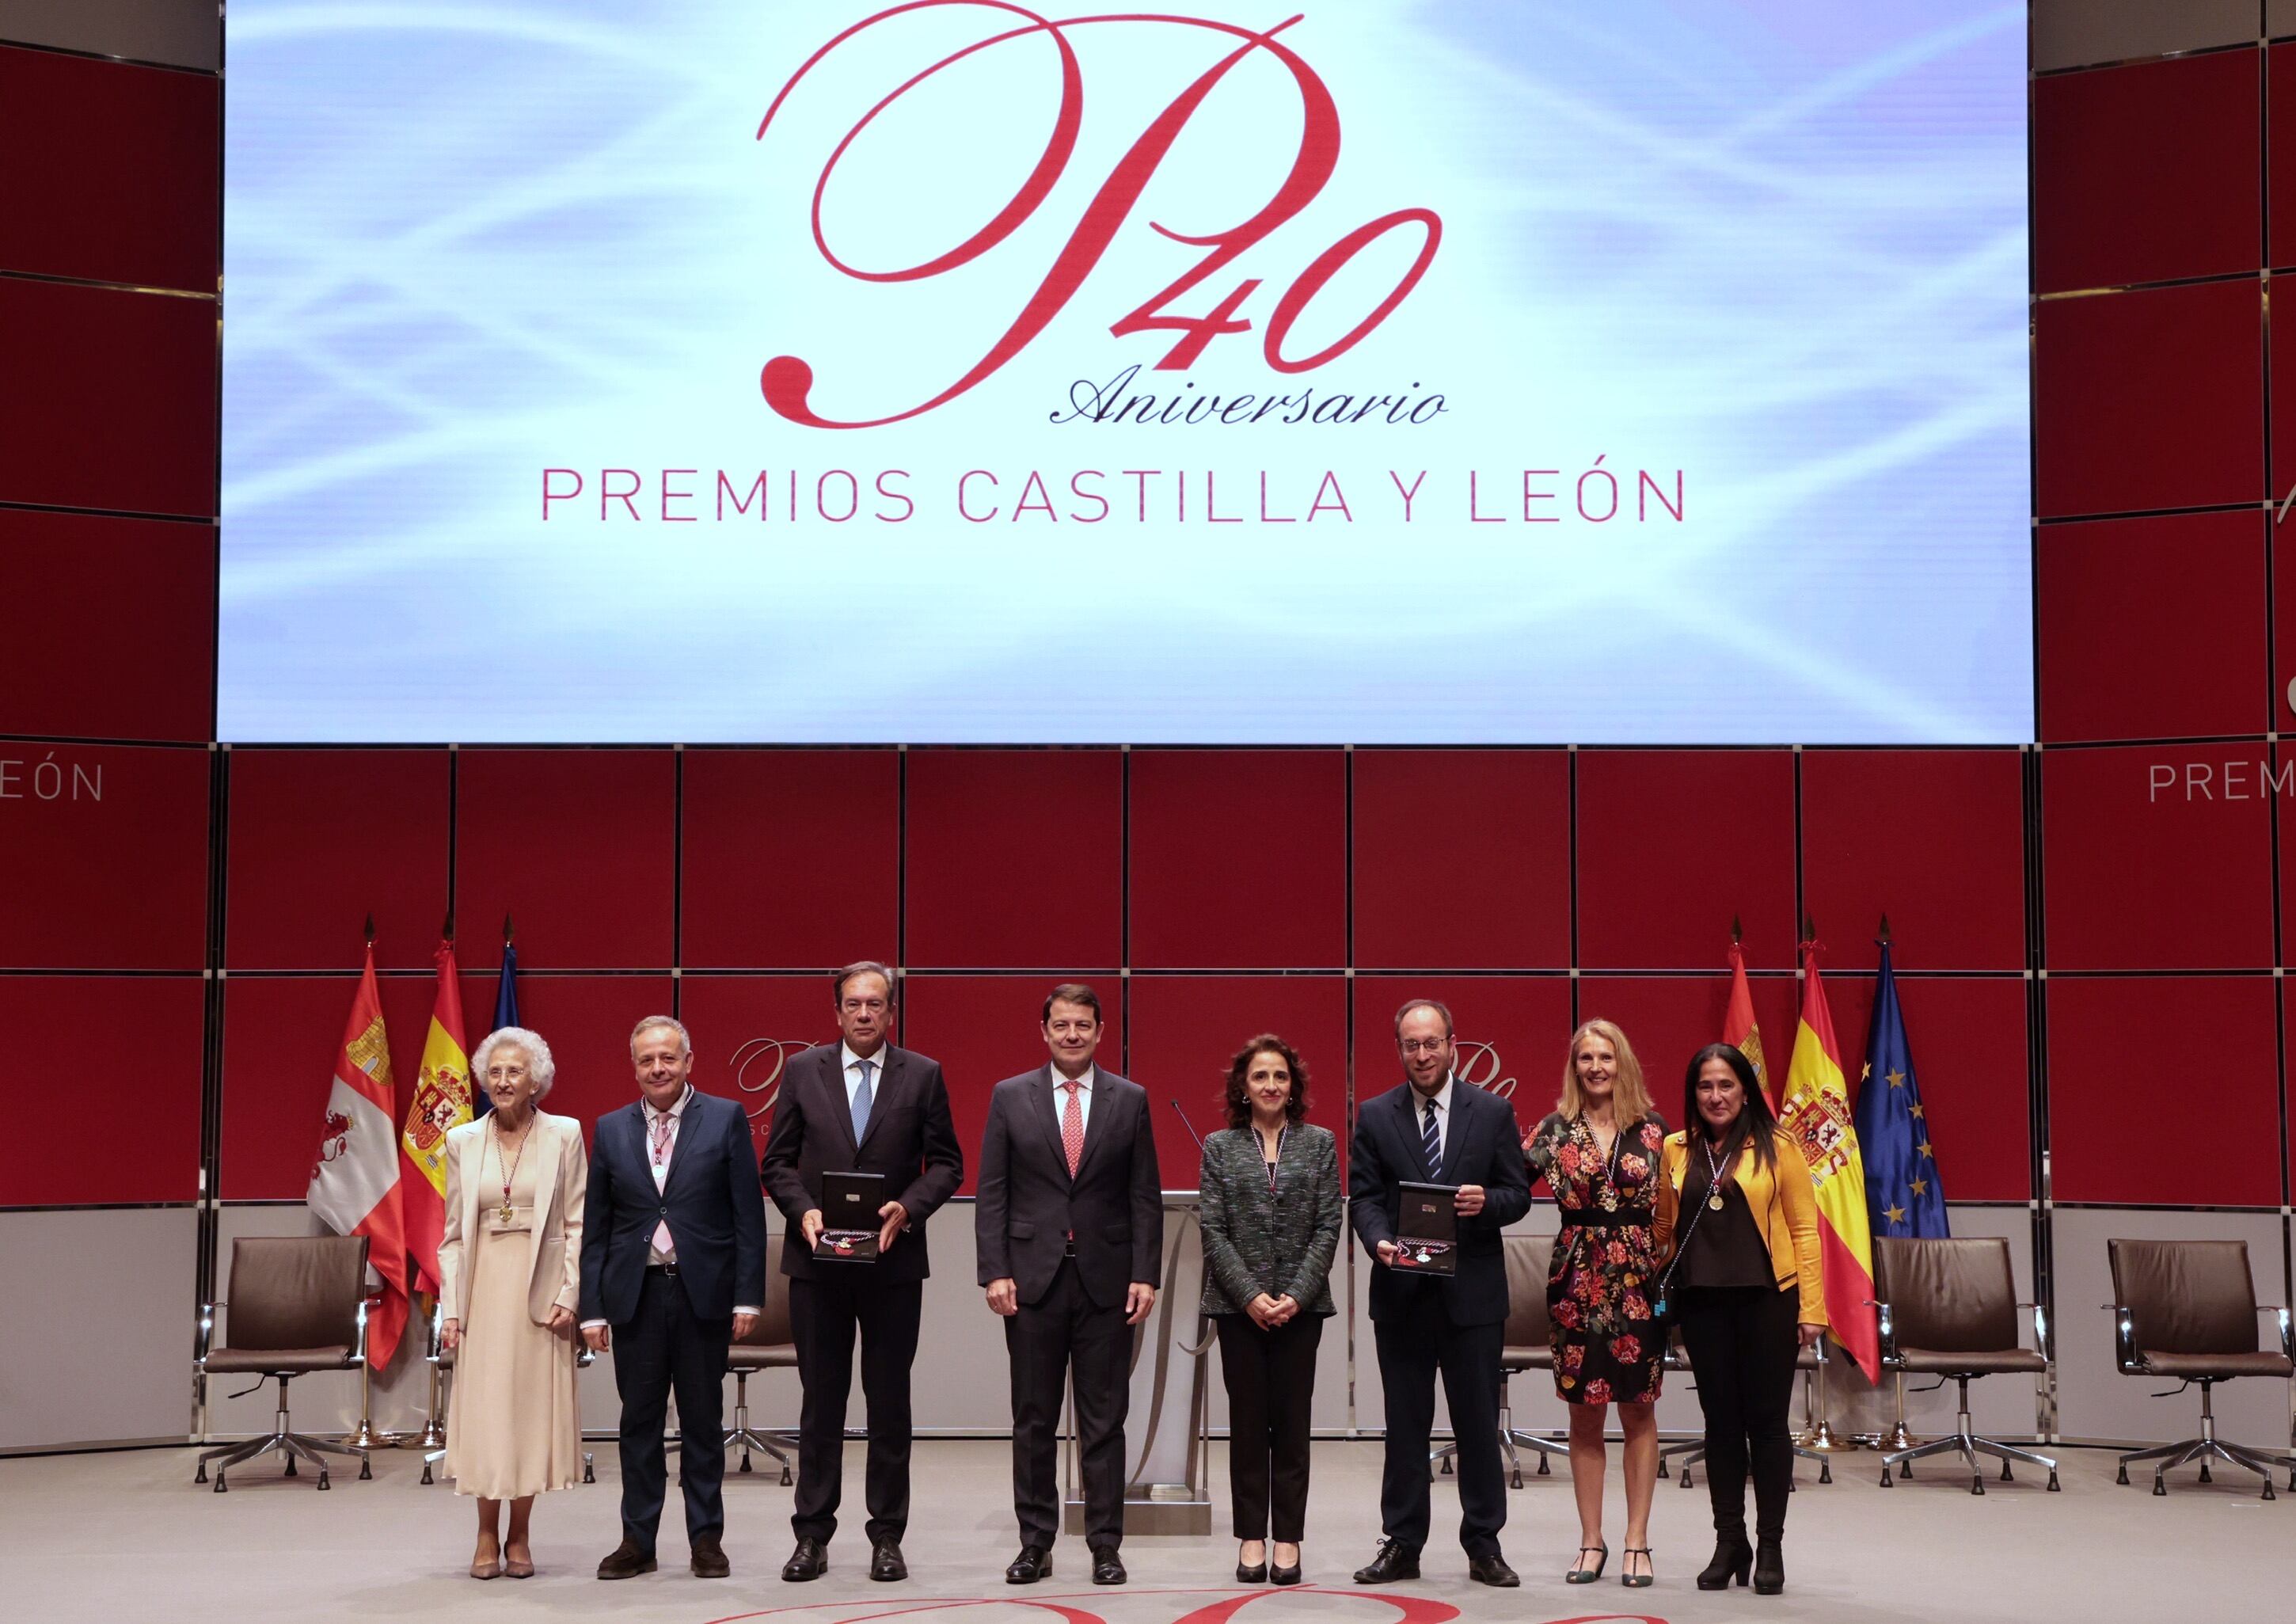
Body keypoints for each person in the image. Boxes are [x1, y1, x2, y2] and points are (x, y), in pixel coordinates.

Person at [759, 961, 964, 1584]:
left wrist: (913, 1203)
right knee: (821, 1403)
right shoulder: (802, 1071)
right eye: (855, 1003)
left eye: (876, 1003)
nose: (866, 1013)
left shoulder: (923, 1074)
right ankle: (812, 1536)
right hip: (818, 1264)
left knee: (889, 1404)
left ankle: (887, 1537)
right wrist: (804, 1211)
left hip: (893, 1263)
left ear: (891, 1012)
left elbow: (947, 1163)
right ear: (837, 1012)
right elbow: (777, 1163)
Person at [975, 983, 1163, 1588]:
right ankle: (1035, 1542)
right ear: (1045, 1030)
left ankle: (1106, 1544)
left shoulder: (1130, 1099)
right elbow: (994, 1192)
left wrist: (1145, 1273)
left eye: (1084, 1024)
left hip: (1107, 1282)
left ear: (1100, 1031)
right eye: (1062, 1024)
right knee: (1033, 1418)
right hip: (1031, 1282)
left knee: (1104, 1420)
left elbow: (1144, 1195)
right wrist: (994, 1269)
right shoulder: (1010, 1096)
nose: (1073, 1034)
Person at [1348, 998, 1531, 1589]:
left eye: (1432, 1042)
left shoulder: (1493, 1111)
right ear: (1399, 1049)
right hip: (1400, 1295)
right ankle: (1402, 1542)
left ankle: (1484, 1544)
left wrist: (1489, 1203)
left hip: (1472, 1298)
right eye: (1411, 1044)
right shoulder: (1376, 1115)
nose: (1422, 1054)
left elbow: (1518, 1192)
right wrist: (1377, 1240)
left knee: (1477, 1425)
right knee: (1405, 1427)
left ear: (1453, 1044)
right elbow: (1365, 1197)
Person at [580, 1016, 767, 1581]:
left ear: (689, 1060)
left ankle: (706, 1539)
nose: (657, 1068)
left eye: (668, 1057)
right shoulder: (611, 1128)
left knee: (703, 1422)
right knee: (638, 1423)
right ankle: (637, 1540)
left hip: (700, 1292)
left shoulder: (726, 1117)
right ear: (634, 1066)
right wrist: (592, 1306)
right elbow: (597, 1226)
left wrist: (748, 1297)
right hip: (634, 1295)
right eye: (646, 1060)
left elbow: (747, 1217)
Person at [1653, 1043, 1826, 1598]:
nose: (1716, 1096)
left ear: (1745, 1089)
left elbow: (1804, 1229)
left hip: (1767, 1300)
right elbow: (1663, 1229)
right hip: (1702, 1302)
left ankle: (1770, 1543)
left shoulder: (1779, 1145)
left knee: (1768, 1424)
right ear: (1693, 1094)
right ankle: (1730, 1541)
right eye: (1705, 1086)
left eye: (1726, 1084)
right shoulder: (1676, 1148)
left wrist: (1814, 1309)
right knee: (1721, 1423)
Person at [1521, 1018, 1668, 1588]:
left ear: (1622, 1061)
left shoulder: (1654, 1129)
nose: (1596, 1067)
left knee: (1638, 1408)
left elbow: (1676, 1204)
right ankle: (1591, 1539)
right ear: (1574, 1066)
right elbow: (1509, 1184)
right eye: (1586, 1058)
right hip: (1575, 1281)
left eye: (1606, 1056)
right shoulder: (1555, 1130)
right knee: (1584, 1412)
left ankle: (1637, 1539)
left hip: (1638, 1279)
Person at [438, 1026, 587, 1579]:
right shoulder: (461, 1140)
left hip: (540, 1292)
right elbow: (452, 1233)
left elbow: (577, 1223)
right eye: (495, 1071)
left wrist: (571, 1293)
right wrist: (451, 1309)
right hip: (482, 1291)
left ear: (536, 1080)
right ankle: (484, 1531)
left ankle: (520, 1534)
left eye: (514, 1071)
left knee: (525, 1416)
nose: (502, 1080)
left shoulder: (565, 1134)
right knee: (485, 1416)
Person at [1196, 1033, 1341, 1587]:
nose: (1271, 1085)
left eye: (1280, 1075)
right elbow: (1212, 1228)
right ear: (1243, 1086)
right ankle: (1251, 1534)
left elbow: (1329, 1225)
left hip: (1301, 1310)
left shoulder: (1321, 1143)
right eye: (1260, 1076)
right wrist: (1250, 1295)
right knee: (1249, 1425)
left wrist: (1297, 1294)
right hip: (1239, 1311)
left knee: (1294, 1424)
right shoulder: (1219, 1146)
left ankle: (1288, 1536)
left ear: (1293, 1084)